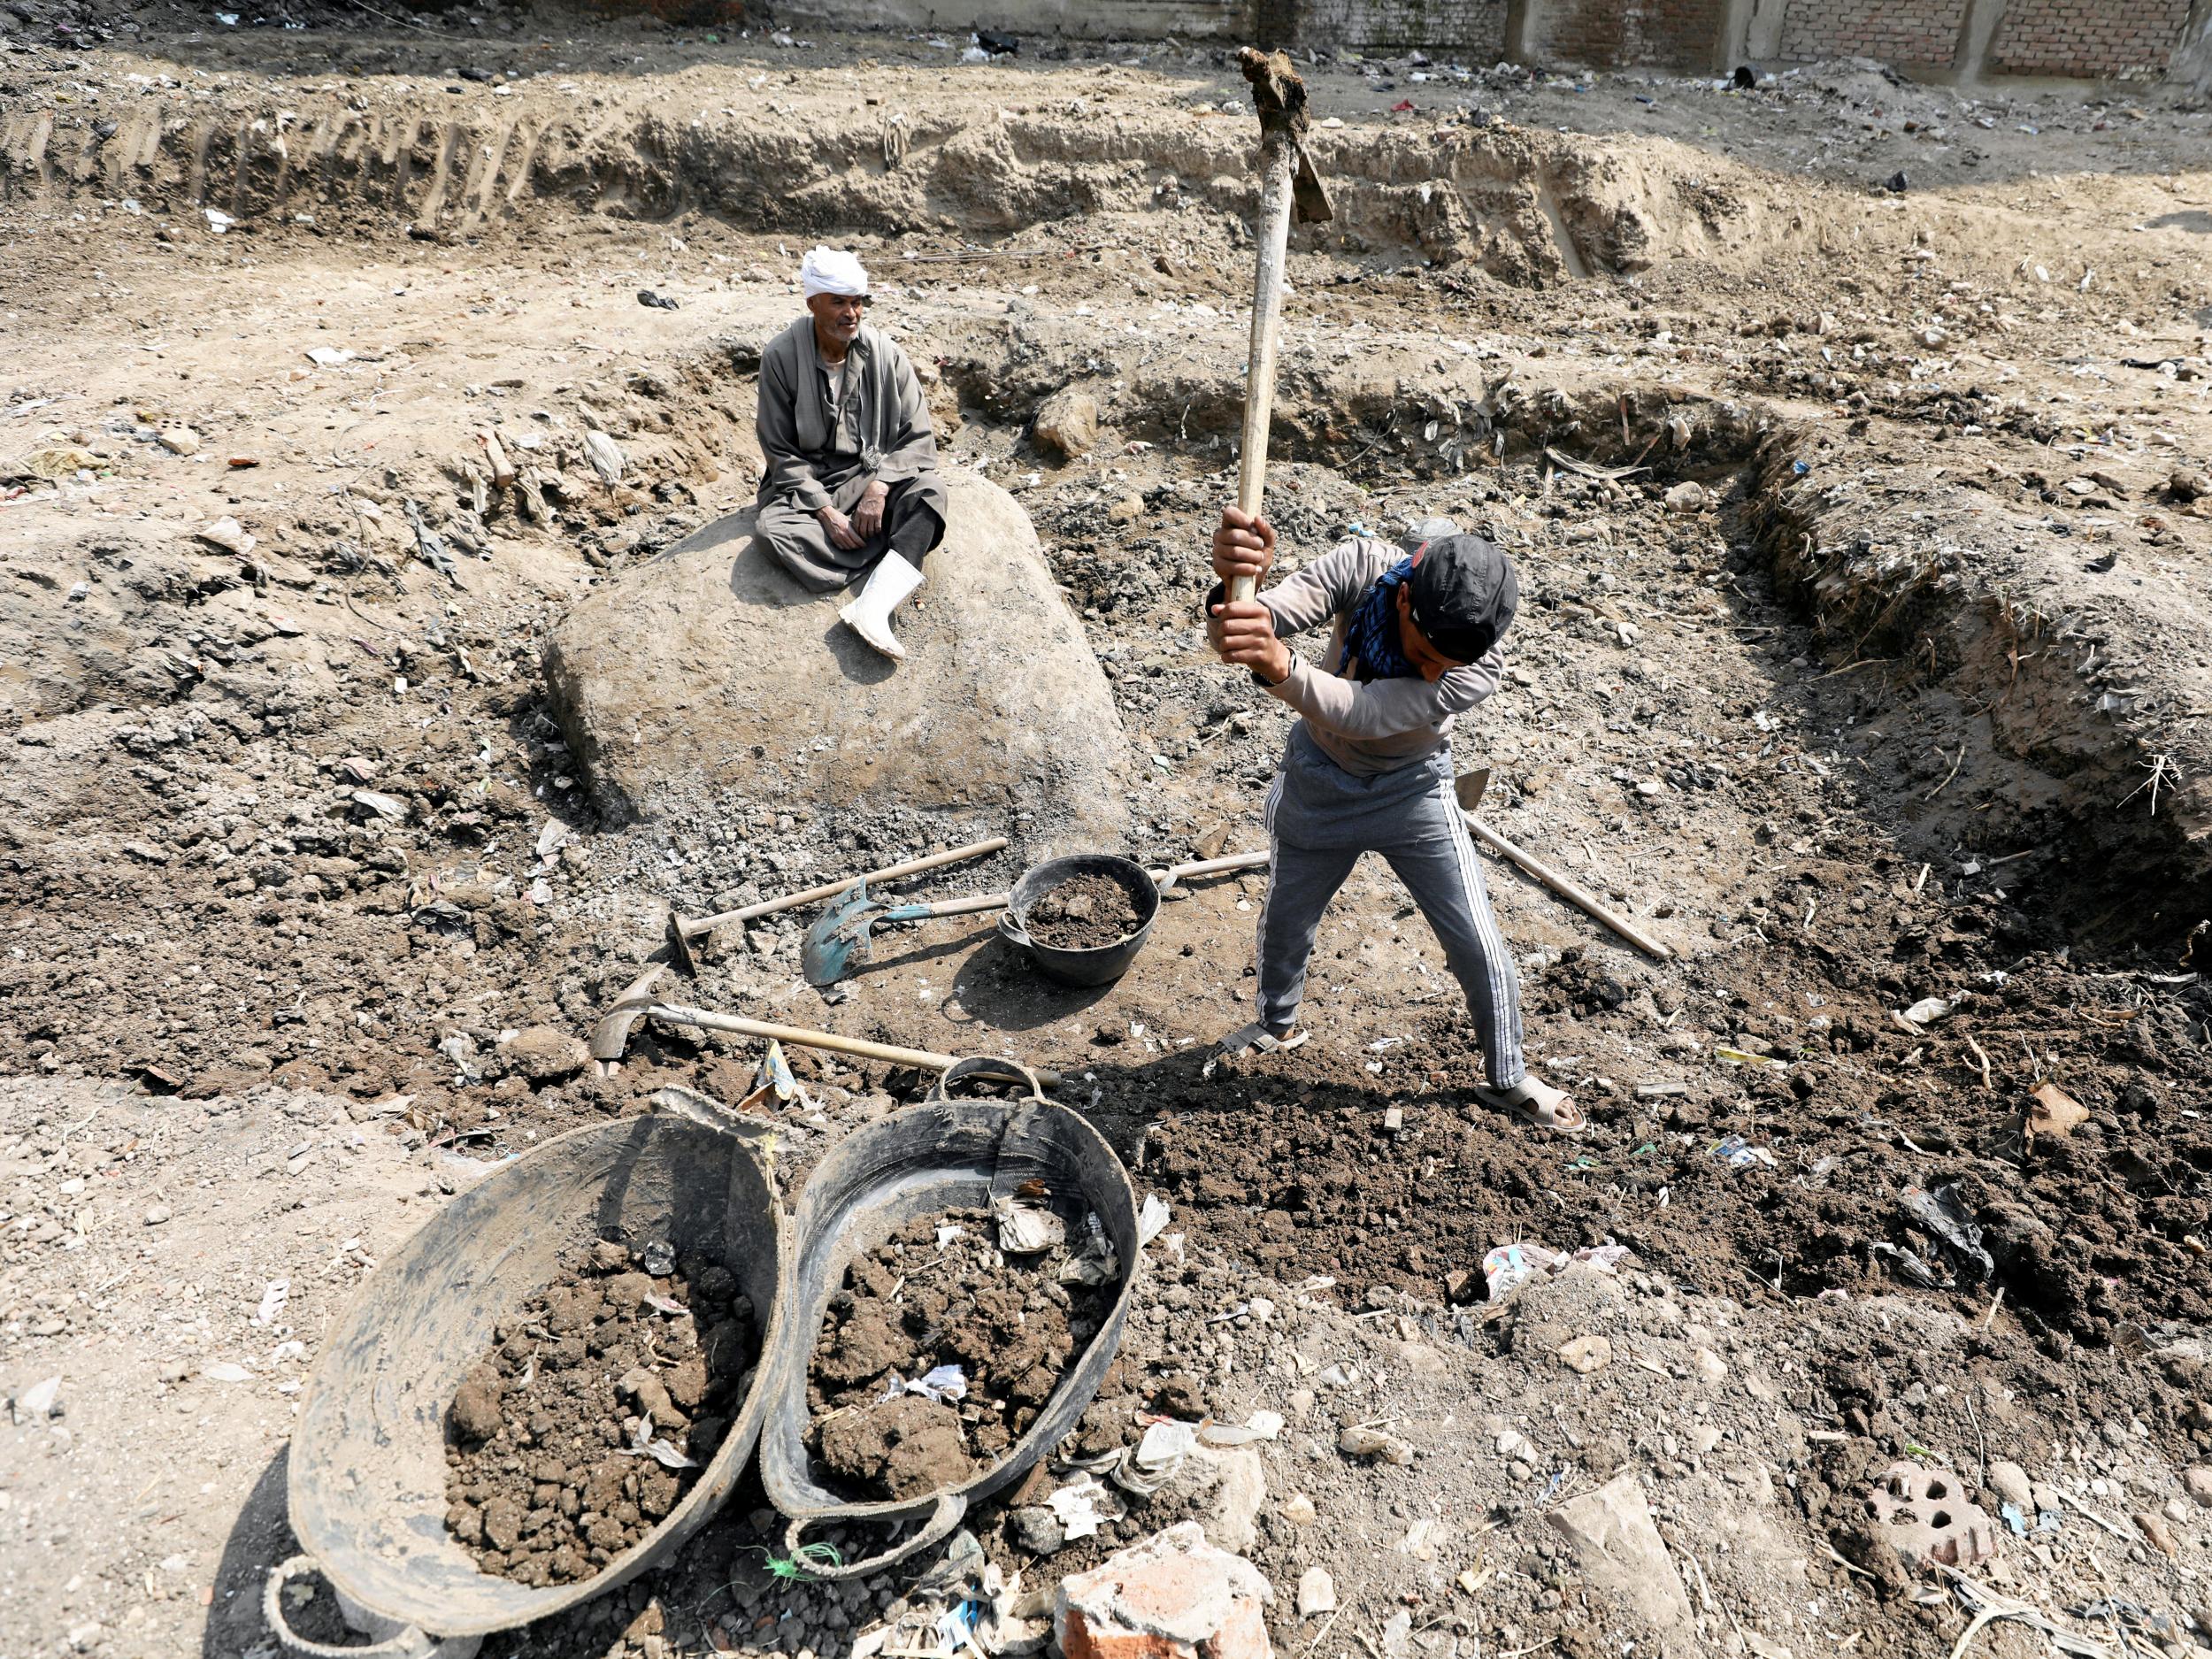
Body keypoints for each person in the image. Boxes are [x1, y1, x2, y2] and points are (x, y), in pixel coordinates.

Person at [1204, 507, 1582, 1133]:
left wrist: (1278, 665)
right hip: (1318, 785)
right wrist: (1237, 591)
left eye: (1447, 665)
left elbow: (1363, 711)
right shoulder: (1362, 566)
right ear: (1404, 596)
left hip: (1413, 793)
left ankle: (1509, 1074)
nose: (1435, 670)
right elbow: (1265, 622)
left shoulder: (1478, 664)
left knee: (1478, 940)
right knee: (1286, 921)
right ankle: (1276, 1024)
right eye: (1427, 652)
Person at [754, 246, 949, 662]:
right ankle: (892, 552)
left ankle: (872, 606)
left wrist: (879, 488)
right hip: (809, 485)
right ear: (812, 303)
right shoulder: (780, 357)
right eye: (838, 302)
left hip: (870, 472)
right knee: (774, 532)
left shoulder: (886, 352)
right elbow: (779, 450)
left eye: (857, 302)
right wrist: (826, 512)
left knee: (928, 493)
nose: (851, 313)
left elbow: (918, 437)